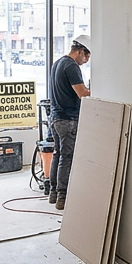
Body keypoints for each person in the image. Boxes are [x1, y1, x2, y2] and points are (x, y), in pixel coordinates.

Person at [48, 35, 92, 210]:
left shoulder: (58, 63)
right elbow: (82, 93)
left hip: (55, 118)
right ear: (80, 51)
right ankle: (62, 198)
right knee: (67, 157)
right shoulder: (72, 66)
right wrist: (98, 88)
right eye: (86, 57)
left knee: (58, 154)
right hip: (68, 120)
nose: (86, 61)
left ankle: (53, 193)